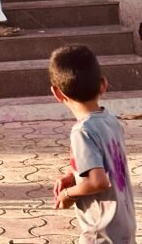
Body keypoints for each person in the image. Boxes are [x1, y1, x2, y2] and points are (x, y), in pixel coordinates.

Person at [49, 44, 136, 243]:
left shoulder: (82, 132)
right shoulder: (110, 121)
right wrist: (73, 175)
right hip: (123, 227)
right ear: (103, 84)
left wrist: (68, 194)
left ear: (57, 93)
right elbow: (105, 163)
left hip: (100, 233)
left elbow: (98, 182)